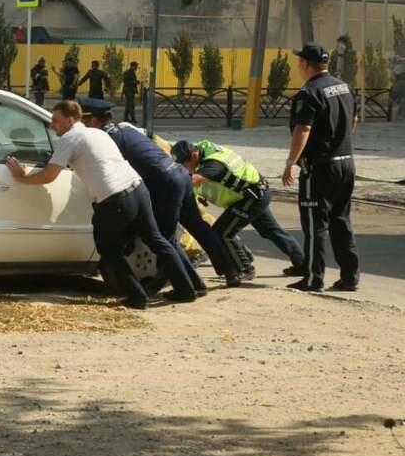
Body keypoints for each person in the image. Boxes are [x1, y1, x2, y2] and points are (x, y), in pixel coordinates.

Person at [5, 100, 198, 309]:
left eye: (56, 121)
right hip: (138, 189)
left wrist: (21, 177)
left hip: (114, 198)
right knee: (157, 240)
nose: (52, 125)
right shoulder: (97, 133)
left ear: (70, 120)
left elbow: (49, 176)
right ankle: (186, 290)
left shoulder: (70, 139)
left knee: (108, 249)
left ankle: (138, 297)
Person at [81, 97, 241, 290]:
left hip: (163, 183)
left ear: (93, 121)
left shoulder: (105, 139)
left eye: (85, 121)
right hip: (179, 173)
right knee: (198, 225)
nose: (84, 126)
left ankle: (187, 285)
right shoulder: (126, 128)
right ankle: (229, 271)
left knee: (165, 238)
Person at [282, 42, 360, 292]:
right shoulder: (344, 87)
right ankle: (350, 277)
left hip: (319, 168)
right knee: (341, 220)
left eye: (299, 62)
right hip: (346, 162)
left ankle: (313, 279)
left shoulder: (310, 92)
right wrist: (339, 142)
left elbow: (303, 128)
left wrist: (291, 162)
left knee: (315, 225)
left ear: (305, 64)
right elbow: (354, 120)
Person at [172, 139, 306, 281]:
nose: (183, 168)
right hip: (254, 193)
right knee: (272, 231)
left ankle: (245, 268)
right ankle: (302, 264)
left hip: (251, 198)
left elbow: (191, 180)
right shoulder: (201, 148)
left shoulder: (213, 164)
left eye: (184, 165)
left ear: (193, 156)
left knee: (223, 231)